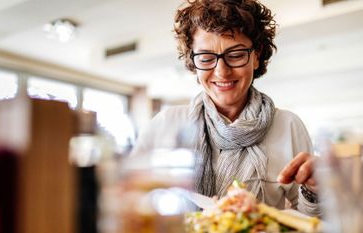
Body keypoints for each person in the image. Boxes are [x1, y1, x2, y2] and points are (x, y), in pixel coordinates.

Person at [131, 0, 321, 216]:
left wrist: (315, 191)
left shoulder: (288, 126)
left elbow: (308, 221)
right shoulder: (166, 124)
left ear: (256, 56)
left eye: (236, 55)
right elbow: (130, 200)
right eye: (206, 57)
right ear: (194, 62)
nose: (221, 72)